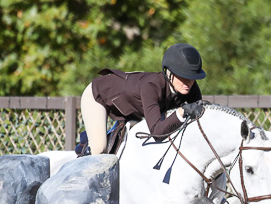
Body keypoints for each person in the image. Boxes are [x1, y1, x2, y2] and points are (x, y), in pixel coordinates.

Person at [76, 43, 207, 156]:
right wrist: (181, 113)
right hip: (99, 94)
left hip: (132, 105)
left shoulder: (190, 87)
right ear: (169, 73)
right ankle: (87, 142)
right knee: (99, 148)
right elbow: (156, 132)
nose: (188, 82)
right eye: (183, 77)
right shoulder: (151, 87)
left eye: (192, 77)